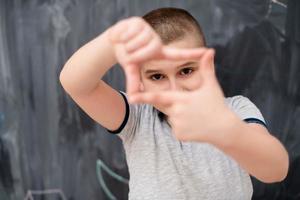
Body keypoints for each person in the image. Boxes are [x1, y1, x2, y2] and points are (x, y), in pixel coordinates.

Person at [59, 7, 289, 200]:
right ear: (141, 82)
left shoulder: (237, 110)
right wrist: (114, 40)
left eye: (186, 70)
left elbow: (275, 169)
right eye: (157, 77)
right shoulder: (137, 118)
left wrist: (225, 131)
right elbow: (75, 83)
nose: (174, 89)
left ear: (207, 65)